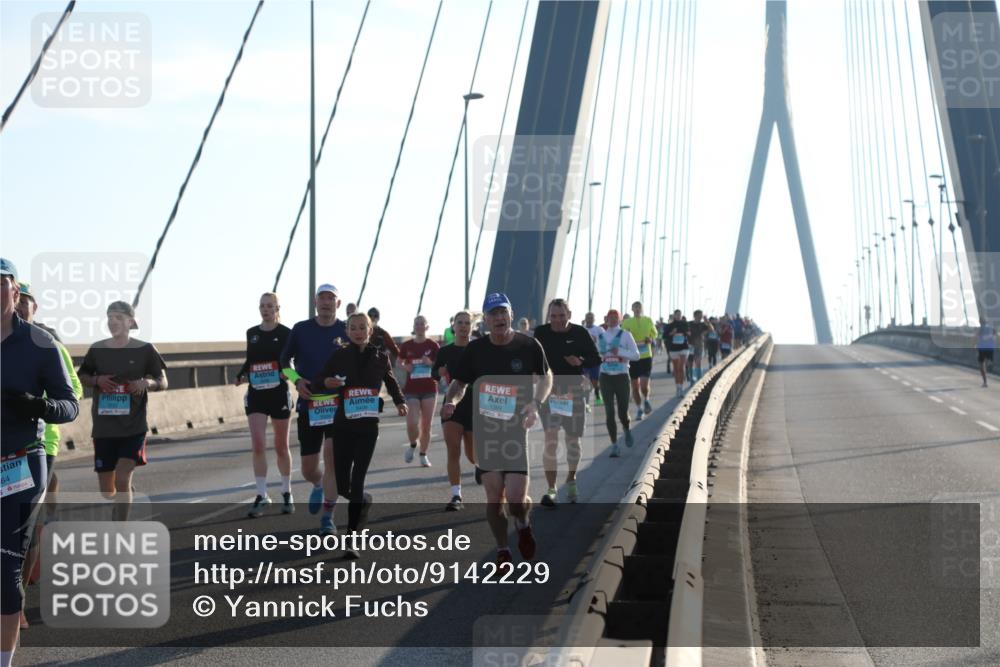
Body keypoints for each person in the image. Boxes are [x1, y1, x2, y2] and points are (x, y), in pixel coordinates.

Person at [1, 258, 79, 667]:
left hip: (21, 462)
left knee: (7, 563)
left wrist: (40, 405)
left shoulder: (42, 344)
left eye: (1, 283)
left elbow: (70, 405)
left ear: (16, 293)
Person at [441, 293, 552, 569]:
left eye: (503, 312)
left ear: (511, 315)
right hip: (487, 431)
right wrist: (450, 402)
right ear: (486, 320)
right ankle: (502, 550)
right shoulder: (476, 350)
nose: (499, 318)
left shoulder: (528, 345)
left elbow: (546, 376)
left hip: (516, 431)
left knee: (516, 500)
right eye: (493, 314)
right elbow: (459, 384)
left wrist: (535, 404)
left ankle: (523, 523)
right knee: (494, 496)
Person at [15, 282, 82, 620]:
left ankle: (18, 601)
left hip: (43, 443)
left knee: (25, 526)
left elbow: (74, 391)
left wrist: (42, 406)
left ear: (34, 307)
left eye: (26, 302)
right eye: (18, 301)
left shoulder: (48, 345)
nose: (21, 307)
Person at [316, 312, 407, 558]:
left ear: (370, 329)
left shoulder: (380, 356)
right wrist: (328, 382)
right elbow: (319, 380)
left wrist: (400, 402)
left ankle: (352, 540)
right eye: (353, 328)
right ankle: (363, 500)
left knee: (357, 481)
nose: (357, 332)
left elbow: (391, 382)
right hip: (343, 426)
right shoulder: (339, 356)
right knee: (344, 484)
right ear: (347, 331)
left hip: (368, 427)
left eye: (362, 327)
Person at [77, 301, 168, 507]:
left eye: (118, 317)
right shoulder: (97, 349)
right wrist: (96, 380)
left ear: (131, 321)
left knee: (122, 478)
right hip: (104, 429)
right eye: (109, 317)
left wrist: (146, 382)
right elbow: (82, 375)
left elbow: (163, 381)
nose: (112, 321)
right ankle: (125, 494)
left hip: (133, 428)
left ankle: (121, 532)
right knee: (108, 492)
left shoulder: (145, 349)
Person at [280, 283, 347, 535]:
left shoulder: (345, 330)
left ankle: (328, 517)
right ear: (315, 302)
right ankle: (318, 484)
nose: (327, 302)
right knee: (309, 468)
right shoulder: (300, 330)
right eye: (322, 298)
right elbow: (283, 362)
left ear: (338, 304)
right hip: (309, 404)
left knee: (331, 458)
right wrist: (296, 380)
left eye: (332, 299)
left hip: (338, 405)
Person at [533, 299, 600, 506]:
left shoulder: (579, 333)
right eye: (553, 316)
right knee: (550, 440)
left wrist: (580, 362)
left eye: (561, 316)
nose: (557, 320)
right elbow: (532, 358)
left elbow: (596, 359)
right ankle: (551, 489)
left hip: (573, 391)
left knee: (573, 442)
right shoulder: (541, 333)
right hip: (550, 392)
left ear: (569, 314)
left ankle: (571, 479)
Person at [235, 292, 294, 518]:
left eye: (270, 306)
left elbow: (290, 363)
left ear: (278, 308)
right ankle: (262, 495)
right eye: (262, 306)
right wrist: (240, 375)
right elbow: (250, 361)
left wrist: (286, 375)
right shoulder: (252, 333)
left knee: (281, 446)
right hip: (257, 394)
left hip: (278, 393)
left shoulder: (286, 333)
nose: (266, 309)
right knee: (258, 444)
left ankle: (286, 492)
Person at [432, 310, 476, 511]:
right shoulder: (445, 351)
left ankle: (480, 467)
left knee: (473, 454)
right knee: (453, 450)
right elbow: (435, 372)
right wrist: (439, 373)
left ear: (471, 326)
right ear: (454, 326)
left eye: (467, 323)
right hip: (451, 405)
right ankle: (456, 495)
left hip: (474, 405)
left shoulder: (479, 349)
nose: (464, 326)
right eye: (460, 322)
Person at [596, 310, 640, 457]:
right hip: (605, 377)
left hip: (621, 376)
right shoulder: (601, 336)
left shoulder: (626, 335)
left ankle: (626, 429)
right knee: (609, 412)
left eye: (616, 318)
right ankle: (614, 445)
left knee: (622, 411)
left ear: (620, 319)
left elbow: (636, 355)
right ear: (606, 319)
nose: (613, 320)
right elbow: (595, 356)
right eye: (610, 318)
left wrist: (620, 352)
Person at [399, 315, 439, 467]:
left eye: (422, 323)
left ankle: (423, 454)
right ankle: (412, 445)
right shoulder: (407, 345)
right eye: (417, 323)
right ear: (414, 327)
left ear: (427, 327)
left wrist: (431, 363)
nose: (420, 326)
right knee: (412, 423)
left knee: (426, 425)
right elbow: (399, 361)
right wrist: (405, 366)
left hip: (429, 388)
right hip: (412, 390)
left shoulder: (433, 345)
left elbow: (440, 366)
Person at [621, 301, 657, 421]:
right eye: (635, 307)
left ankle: (646, 400)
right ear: (632, 309)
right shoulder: (626, 322)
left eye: (639, 307)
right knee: (635, 387)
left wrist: (650, 339)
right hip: (632, 358)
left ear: (642, 309)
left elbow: (655, 334)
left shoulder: (648, 320)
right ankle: (639, 409)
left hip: (646, 356)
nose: (637, 309)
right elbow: (621, 337)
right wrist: (628, 338)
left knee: (644, 386)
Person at [662, 310, 689, 397]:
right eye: (676, 315)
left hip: (684, 348)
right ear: (674, 315)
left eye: (679, 315)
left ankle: (681, 388)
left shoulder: (685, 324)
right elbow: (664, 336)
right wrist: (672, 333)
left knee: (681, 368)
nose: (678, 316)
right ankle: (678, 388)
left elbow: (689, 333)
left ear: (681, 315)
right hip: (673, 349)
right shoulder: (669, 325)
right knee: (676, 369)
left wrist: (685, 333)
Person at [686, 309, 713, 387]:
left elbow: (711, 330)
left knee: (698, 362)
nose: (700, 317)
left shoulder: (703, 324)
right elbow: (684, 331)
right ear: (694, 316)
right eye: (699, 316)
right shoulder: (689, 324)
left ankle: (699, 380)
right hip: (690, 346)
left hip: (699, 346)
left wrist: (707, 322)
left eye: (701, 316)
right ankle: (691, 380)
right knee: (690, 363)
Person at [583, 312, 604, 407]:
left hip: (596, 357)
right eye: (588, 317)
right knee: (586, 381)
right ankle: (586, 403)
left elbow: (605, 340)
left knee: (595, 381)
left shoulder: (599, 329)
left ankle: (597, 394)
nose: (589, 319)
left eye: (591, 317)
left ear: (594, 319)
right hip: (584, 359)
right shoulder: (581, 329)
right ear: (585, 319)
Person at [976, 317, 995, 388]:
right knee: (986, 363)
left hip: (982, 349)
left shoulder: (980, 329)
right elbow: (997, 335)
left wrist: (974, 345)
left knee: (981, 366)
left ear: (980, 322)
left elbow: (976, 337)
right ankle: (989, 363)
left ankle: (985, 382)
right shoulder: (991, 328)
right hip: (990, 348)